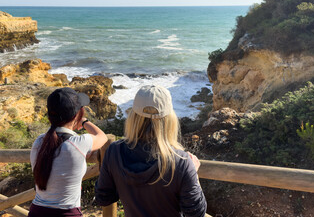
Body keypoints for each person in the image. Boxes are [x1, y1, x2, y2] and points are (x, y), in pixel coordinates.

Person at [95, 85, 207, 217]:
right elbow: (196, 213)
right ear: (170, 119)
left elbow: (104, 197)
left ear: (133, 117)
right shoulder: (181, 161)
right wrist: (193, 172)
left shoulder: (114, 151)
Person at [29, 87, 108, 217]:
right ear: (77, 114)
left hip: (36, 212)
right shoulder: (78, 143)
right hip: (67, 213)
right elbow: (102, 137)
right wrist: (84, 122)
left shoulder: (38, 142)